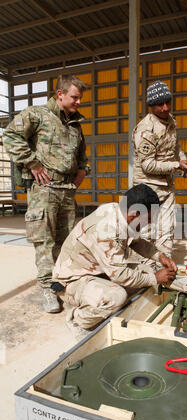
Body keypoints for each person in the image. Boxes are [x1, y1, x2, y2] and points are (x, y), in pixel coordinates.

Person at [3, 74, 90, 314]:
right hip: (44, 189)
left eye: (80, 98)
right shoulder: (37, 114)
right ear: (60, 94)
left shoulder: (75, 124)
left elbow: (81, 153)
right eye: (74, 97)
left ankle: (61, 282)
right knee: (44, 241)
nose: (78, 102)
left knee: (66, 241)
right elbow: (10, 135)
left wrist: (83, 169)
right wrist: (33, 163)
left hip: (66, 191)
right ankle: (47, 289)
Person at [52, 184, 178, 340]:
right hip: (72, 281)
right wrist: (155, 278)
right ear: (134, 214)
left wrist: (160, 256)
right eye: (149, 219)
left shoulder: (121, 213)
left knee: (146, 270)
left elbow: (137, 243)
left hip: (97, 271)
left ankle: (96, 298)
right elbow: (120, 275)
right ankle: (78, 320)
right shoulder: (105, 229)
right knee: (116, 296)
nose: (150, 223)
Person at [132, 80, 187, 256]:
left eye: (168, 102)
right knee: (146, 233)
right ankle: (145, 273)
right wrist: (175, 165)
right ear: (151, 106)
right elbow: (148, 165)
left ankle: (163, 270)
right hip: (147, 188)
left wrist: (183, 160)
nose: (165, 108)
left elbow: (175, 146)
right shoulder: (145, 129)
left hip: (166, 186)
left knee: (167, 232)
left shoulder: (172, 121)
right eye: (159, 104)